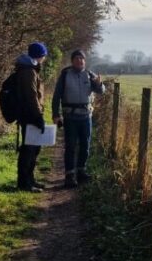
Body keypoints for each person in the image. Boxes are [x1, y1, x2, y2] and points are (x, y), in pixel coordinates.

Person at [51, 49, 104, 188]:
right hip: (70, 117)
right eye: (77, 58)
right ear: (72, 61)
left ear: (85, 61)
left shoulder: (90, 75)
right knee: (70, 146)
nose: (80, 61)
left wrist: (99, 84)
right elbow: (56, 96)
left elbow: (101, 91)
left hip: (86, 117)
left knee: (85, 145)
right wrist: (56, 115)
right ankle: (69, 175)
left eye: (82, 59)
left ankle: (81, 171)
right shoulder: (65, 75)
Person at [15, 42, 48, 192]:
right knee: (29, 150)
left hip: (29, 115)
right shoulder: (29, 71)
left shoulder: (29, 69)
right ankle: (24, 183)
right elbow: (32, 96)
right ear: (40, 56)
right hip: (30, 116)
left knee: (33, 149)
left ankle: (30, 179)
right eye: (44, 55)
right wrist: (38, 116)